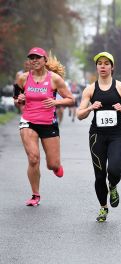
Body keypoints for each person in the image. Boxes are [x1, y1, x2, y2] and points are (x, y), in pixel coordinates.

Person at [77, 52, 121, 222]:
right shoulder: (90, 89)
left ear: (112, 67)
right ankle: (103, 207)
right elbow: (79, 114)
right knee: (99, 175)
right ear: (96, 67)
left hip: (116, 135)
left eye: (106, 63)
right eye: (100, 63)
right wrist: (90, 108)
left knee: (114, 170)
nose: (103, 66)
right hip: (97, 136)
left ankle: (113, 185)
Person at [14, 47, 74, 206]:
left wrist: (56, 101)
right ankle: (35, 195)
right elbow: (16, 97)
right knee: (33, 158)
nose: (34, 60)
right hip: (28, 121)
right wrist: (19, 99)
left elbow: (70, 99)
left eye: (37, 57)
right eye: (31, 58)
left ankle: (55, 166)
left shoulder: (55, 79)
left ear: (45, 60)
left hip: (48, 123)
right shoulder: (23, 78)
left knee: (52, 164)